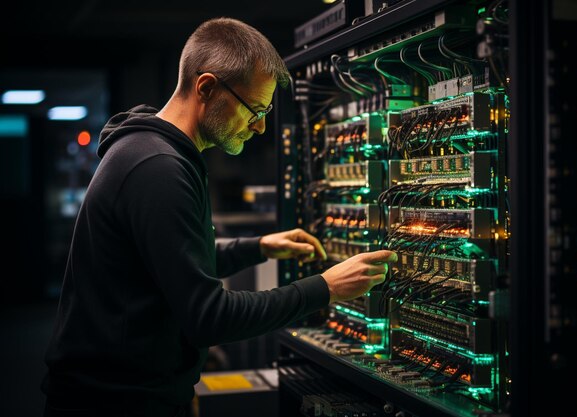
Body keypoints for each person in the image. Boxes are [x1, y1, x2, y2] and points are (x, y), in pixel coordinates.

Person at [41, 17, 397, 417]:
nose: (260, 126)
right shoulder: (158, 167)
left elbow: (170, 260)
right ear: (207, 87)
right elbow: (210, 318)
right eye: (255, 109)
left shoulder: (148, 150)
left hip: (126, 395)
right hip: (115, 405)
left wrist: (259, 247)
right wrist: (324, 287)